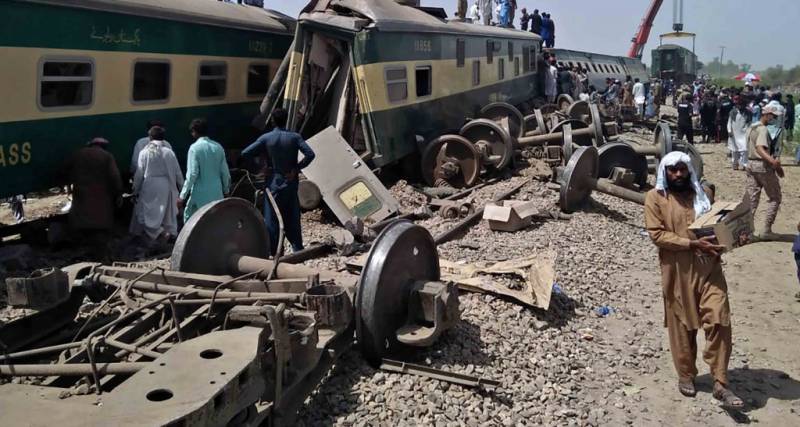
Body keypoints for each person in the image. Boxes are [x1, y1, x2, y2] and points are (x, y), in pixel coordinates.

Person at [645, 151, 742, 408]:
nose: (678, 174)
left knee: (720, 318)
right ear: (664, 173)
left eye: (682, 170)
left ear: (689, 171)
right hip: (677, 271)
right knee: (682, 326)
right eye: (672, 170)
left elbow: (718, 225)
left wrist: (732, 237)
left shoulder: (704, 195)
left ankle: (721, 381)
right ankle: (686, 374)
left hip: (709, 269)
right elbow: (657, 234)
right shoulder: (655, 199)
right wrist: (690, 243)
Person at [242, 108, 316, 255]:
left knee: (272, 219)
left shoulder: (266, 138)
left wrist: (260, 168)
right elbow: (310, 154)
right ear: (287, 119)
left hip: (273, 184)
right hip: (290, 183)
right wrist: (297, 168)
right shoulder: (295, 137)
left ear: (272, 121)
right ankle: (297, 249)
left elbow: (245, 153)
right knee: (293, 217)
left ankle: (275, 251)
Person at [62, 137, 123, 261]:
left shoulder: (78, 154)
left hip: (81, 193)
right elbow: (115, 176)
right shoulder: (107, 156)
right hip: (100, 195)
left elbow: (65, 169)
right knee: (99, 221)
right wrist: (119, 192)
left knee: (83, 218)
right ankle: (100, 252)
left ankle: (84, 246)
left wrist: (67, 185)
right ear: (103, 146)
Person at [130, 126, 184, 244]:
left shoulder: (144, 152)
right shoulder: (169, 152)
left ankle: (161, 233)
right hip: (166, 185)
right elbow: (177, 171)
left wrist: (135, 190)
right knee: (166, 213)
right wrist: (182, 187)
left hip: (149, 185)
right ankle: (169, 235)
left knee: (144, 213)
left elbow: (139, 174)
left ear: (150, 137)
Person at [179, 118, 231, 223]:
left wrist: (182, 196)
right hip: (217, 192)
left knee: (191, 221)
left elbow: (192, 174)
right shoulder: (218, 147)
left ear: (194, 132)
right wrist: (226, 190)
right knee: (216, 221)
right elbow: (225, 173)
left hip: (199, 195)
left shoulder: (194, 148)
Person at [744, 103, 785, 236]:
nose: (773, 119)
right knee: (775, 197)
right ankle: (766, 230)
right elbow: (760, 148)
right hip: (762, 166)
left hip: (750, 164)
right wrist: (774, 163)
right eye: (772, 116)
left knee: (752, 199)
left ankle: (745, 230)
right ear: (766, 114)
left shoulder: (752, 126)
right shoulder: (763, 130)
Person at [727, 96, 750, 170]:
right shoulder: (732, 112)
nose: (739, 106)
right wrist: (729, 131)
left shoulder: (747, 113)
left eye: (741, 104)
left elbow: (749, 123)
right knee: (734, 150)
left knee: (745, 149)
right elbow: (729, 123)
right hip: (734, 133)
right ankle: (735, 164)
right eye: (738, 104)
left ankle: (744, 164)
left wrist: (748, 130)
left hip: (743, 133)